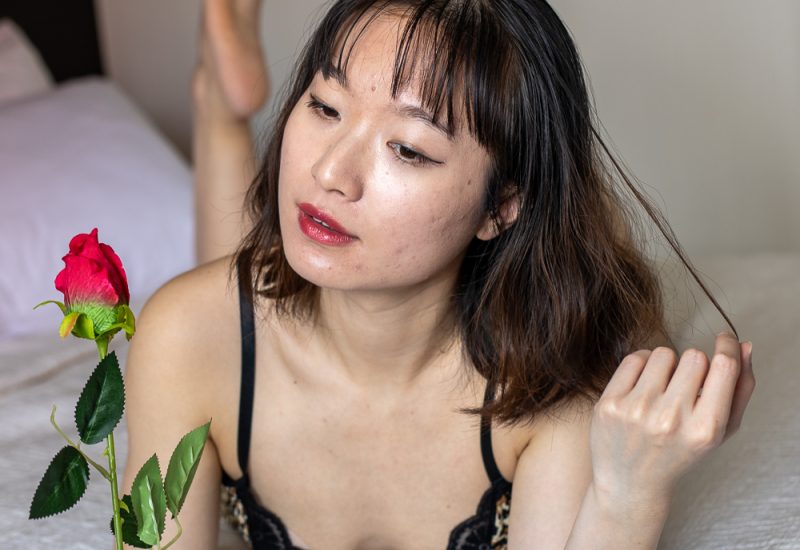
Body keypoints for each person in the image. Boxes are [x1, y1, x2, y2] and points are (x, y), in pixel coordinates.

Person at [121, 0, 755, 549]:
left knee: (609, 286)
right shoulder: (182, 337)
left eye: (407, 149)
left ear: (500, 207)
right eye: (324, 106)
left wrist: (628, 495)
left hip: (526, 289)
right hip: (237, 332)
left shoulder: (550, 384)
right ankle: (219, 104)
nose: (330, 172)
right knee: (228, 290)